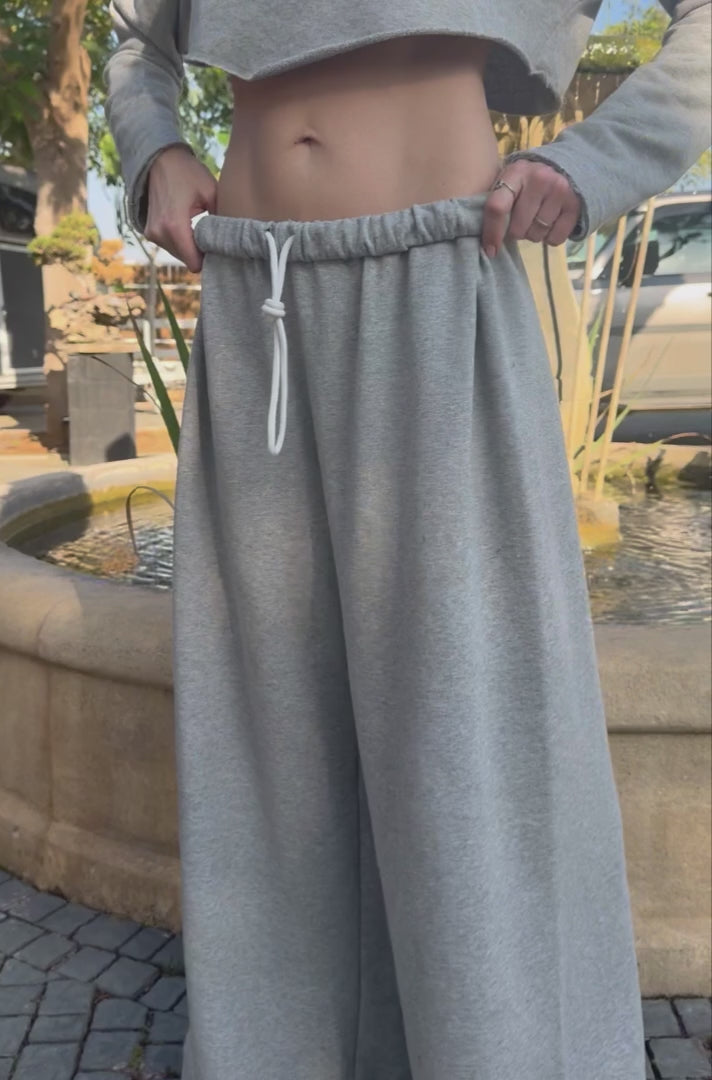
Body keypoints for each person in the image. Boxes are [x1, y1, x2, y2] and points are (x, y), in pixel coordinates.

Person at [103, 4, 711, 1079]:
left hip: (440, 279)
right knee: (263, 734)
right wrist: (155, 148)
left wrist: (597, 161)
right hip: (256, 299)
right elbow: (135, 37)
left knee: (469, 737)